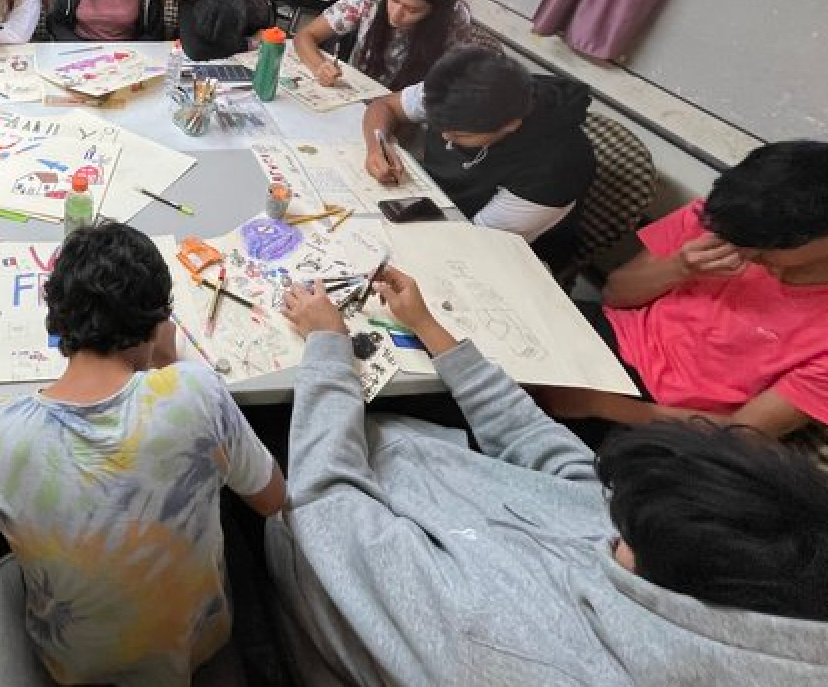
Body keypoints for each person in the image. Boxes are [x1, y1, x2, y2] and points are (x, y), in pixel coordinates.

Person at [269, 269, 828, 686]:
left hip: (321, 511)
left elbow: (326, 503)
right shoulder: (736, 573)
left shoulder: (506, 645)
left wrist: (328, 346)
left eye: (620, 528)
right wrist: (431, 330)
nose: (607, 520)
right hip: (410, 465)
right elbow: (552, 459)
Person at [0, 222, 286, 685]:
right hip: (193, 648)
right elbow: (272, 499)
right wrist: (167, 364)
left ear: (57, 319)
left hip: (70, 664)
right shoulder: (193, 393)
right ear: (158, 323)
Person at [543, 140, 828, 439]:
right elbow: (615, 293)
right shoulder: (731, 219)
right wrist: (680, 267)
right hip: (609, 336)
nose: (747, 255)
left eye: (764, 249)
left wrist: (599, 404)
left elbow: (746, 433)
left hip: (655, 411)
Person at [361, 45, 595, 266]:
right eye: (438, 125)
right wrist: (377, 147)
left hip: (501, 257)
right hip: (435, 206)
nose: (445, 139)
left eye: (460, 135)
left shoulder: (556, 167)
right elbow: (385, 106)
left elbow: (475, 243)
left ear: (510, 125)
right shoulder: (457, 88)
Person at [293, 0, 468, 90]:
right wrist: (319, 66)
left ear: (436, 13)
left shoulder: (455, 19)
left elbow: (441, 85)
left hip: (406, 106)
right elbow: (306, 35)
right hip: (355, 91)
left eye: (412, 10)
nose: (396, 15)